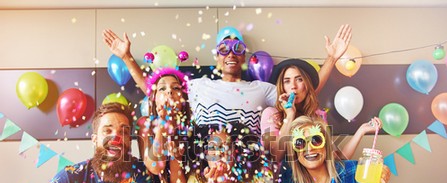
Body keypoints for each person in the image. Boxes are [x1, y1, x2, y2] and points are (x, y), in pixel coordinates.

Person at [102, 24, 352, 135]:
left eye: (237, 48)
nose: (231, 54)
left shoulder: (262, 89)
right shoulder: (198, 86)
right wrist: (126, 57)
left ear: (244, 57)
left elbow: (305, 89)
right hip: (204, 167)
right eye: (224, 49)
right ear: (217, 57)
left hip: (248, 169)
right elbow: (156, 90)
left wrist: (330, 59)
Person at [261, 58, 382, 169]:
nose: (293, 86)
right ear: (281, 87)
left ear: (307, 85)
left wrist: (361, 131)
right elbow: (273, 156)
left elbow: (335, 159)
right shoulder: (269, 114)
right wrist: (289, 116)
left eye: (299, 79)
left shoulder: (318, 116)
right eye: (287, 81)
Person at [136, 67, 190, 183]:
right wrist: (163, 124)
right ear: (153, 98)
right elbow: (155, 167)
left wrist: (176, 159)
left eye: (175, 88)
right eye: (162, 88)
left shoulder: (190, 131)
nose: (169, 92)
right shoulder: (145, 125)